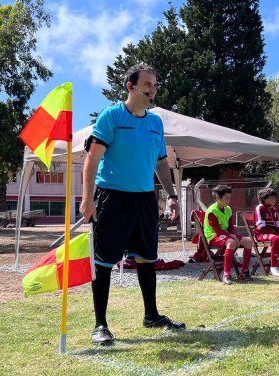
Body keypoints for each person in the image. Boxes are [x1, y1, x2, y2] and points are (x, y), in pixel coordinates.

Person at [80, 64, 185, 346]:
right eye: (148, 84)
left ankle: (151, 315)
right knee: (103, 262)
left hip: (144, 200)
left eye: (155, 84)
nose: (153, 89)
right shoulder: (111, 116)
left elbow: (161, 163)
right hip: (112, 197)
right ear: (130, 86)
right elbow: (92, 159)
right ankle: (100, 324)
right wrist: (87, 198)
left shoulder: (156, 123)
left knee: (146, 258)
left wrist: (172, 197)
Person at [204, 185, 254, 284]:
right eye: (227, 198)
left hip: (226, 234)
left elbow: (230, 227)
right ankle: (226, 275)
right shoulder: (212, 211)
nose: (229, 200)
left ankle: (244, 272)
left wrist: (233, 234)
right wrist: (232, 236)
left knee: (248, 241)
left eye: (229, 197)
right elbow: (217, 230)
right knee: (231, 243)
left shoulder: (228, 209)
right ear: (218, 198)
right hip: (213, 236)